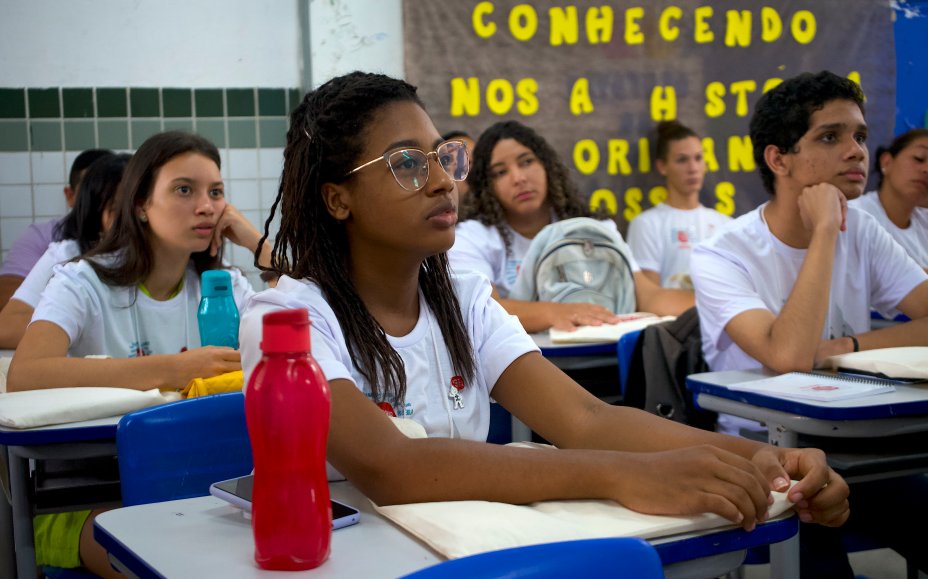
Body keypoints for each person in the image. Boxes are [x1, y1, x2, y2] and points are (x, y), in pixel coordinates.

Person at [240, 72, 849, 555]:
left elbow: (583, 418)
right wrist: (619, 476)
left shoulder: (462, 300)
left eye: (443, 157)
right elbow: (391, 466)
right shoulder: (288, 319)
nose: (440, 182)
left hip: (470, 552)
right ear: (337, 198)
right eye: (405, 164)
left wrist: (760, 460)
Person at [691, 70, 928, 575]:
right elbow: (791, 358)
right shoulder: (723, 253)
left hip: (864, 444)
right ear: (779, 159)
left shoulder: (861, 228)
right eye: (830, 136)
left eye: (861, 135)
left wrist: (851, 344)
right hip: (769, 457)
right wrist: (824, 229)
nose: (856, 151)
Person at [7, 131, 271, 577]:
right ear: (141, 205)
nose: (207, 206)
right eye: (184, 190)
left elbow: (310, 333)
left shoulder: (225, 284)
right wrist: (176, 368)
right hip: (87, 495)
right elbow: (25, 375)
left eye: (216, 192)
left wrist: (253, 241)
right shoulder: (81, 280)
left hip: (201, 486)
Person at [448, 120, 693, 333]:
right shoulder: (471, 237)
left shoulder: (595, 229)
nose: (518, 178)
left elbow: (648, 296)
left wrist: (718, 306)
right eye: (500, 172)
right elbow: (482, 309)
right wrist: (557, 313)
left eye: (526, 162)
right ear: (485, 186)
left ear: (548, 166)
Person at [0, 153, 131, 348]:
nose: (133, 223)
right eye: (117, 210)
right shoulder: (69, 256)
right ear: (93, 211)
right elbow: (7, 327)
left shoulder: (175, 258)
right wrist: (73, 322)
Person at [0, 148, 113, 310]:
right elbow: (8, 302)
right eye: (89, 195)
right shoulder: (54, 246)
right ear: (70, 196)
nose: (99, 205)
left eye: (111, 197)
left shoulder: (138, 242)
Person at [627, 120, 730, 289]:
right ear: (662, 166)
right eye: (682, 160)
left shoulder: (725, 224)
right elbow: (649, 298)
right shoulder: (646, 224)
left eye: (698, 158)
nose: (693, 168)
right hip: (672, 316)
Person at [849, 128, 928, 270]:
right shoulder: (854, 214)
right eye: (919, 158)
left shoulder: (924, 222)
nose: (926, 169)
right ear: (886, 162)